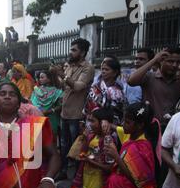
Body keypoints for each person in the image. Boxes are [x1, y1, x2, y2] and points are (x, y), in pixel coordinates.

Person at [59, 38, 95, 180]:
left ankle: (75, 177)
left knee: (77, 147)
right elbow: (62, 86)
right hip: (64, 113)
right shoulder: (70, 66)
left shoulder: (88, 68)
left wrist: (63, 75)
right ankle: (63, 171)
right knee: (63, 145)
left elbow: (78, 86)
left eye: (74, 50)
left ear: (83, 52)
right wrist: (56, 75)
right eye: (71, 49)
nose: (70, 52)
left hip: (76, 115)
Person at [128, 47, 180, 129]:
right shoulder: (149, 77)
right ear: (161, 61)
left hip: (173, 128)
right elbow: (131, 81)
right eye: (170, 61)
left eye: (178, 62)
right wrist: (154, 59)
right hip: (150, 129)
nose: (174, 65)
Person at [72, 108, 116, 188]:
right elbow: (82, 153)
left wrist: (89, 161)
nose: (90, 124)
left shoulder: (108, 141)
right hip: (85, 183)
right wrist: (84, 137)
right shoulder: (92, 137)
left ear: (103, 124)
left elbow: (109, 168)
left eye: (93, 121)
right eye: (89, 121)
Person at [86, 57, 127, 125]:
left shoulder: (117, 92)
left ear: (115, 72)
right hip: (90, 123)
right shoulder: (96, 86)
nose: (103, 71)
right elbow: (88, 103)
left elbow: (116, 113)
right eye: (102, 69)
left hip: (106, 126)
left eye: (107, 69)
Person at [30, 70, 63, 139]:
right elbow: (32, 103)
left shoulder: (57, 91)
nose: (40, 79)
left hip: (51, 118)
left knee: (52, 140)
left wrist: (50, 111)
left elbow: (60, 106)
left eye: (42, 77)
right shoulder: (36, 90)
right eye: (39, 78)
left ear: (49, 79)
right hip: (38, 118)